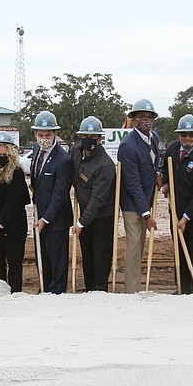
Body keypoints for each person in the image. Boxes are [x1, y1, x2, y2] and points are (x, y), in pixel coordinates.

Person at [160, 114, 193, 294]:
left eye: (192, 135)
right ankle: (182, 286)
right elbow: (164, 169)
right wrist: (166, 182)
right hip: (176, 209)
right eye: (184, 134)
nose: (187, 138)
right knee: (180, 250)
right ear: (179, 135)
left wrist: (186, 217)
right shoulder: (173, 149)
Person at [116, 98, 162, 292]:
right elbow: (132, 183)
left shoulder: (154, 138)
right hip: (132, 205)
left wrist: (158, 174)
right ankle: (132, 290)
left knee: (142, 244)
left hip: (147, 198)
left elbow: (155, 162)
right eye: (141, 117)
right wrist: (146, 214)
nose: (146, 120)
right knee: (134, 246)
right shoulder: (128, 146)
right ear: (134, 120)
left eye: (149, 117)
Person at [71, 116, 116, 292]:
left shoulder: (105, 165)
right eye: (84, 136)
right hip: (84, 212)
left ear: (100, 138)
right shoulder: (76, 151)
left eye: (92, 137)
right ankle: (89, 288)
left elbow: (98, 198)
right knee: (87, 254)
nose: (87, 140)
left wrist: (82, 222)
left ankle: (100, 289)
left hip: (103, 215)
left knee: (100, 254)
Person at [30, 111, 73, 294]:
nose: (44, 138)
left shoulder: (63, 160)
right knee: (43, 257)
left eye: (48, 135)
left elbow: (60, 194)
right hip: (39, 213)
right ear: (35, 134)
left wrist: (46, 219)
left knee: (57, 260)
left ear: (55, 134)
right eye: (41, 135)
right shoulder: (35, 150)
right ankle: (45, 288)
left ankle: (57, 292)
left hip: (56, 219)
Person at [0, 131, 30, 292]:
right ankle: (0, 290)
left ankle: (15, 292)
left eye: (5, 154)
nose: (1, 156)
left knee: (14, 264)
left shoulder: (16, 173)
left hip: (12, 226)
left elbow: (13, 203)